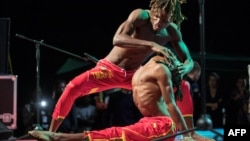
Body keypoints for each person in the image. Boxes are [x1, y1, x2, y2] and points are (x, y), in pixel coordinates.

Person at [49, 0, 194, 132]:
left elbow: (188, 60)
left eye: (164, 20)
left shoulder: (172, 31)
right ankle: (50, 133)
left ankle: (190, 133)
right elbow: (117, 39)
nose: (158, 22)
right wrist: (152, 45)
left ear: (171, 19)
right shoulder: (141, 16)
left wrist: (186, 68)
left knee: (183, 86)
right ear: (153, 10)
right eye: (156, 16)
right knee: (73, 87)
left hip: (135, 75)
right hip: (110, 69)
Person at [28, 51, 215, 141]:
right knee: (75, 87)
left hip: (166, 127)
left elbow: (178, 113)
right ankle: (54, 133)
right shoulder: (145, 72)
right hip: (152, 122)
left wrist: (190, 136)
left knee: (116, 135)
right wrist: (108, 67)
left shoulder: (167, 76)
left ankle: (58, 137)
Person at [183, 61, 201, 125]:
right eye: (199, 74)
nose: (199, 76)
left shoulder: (195, 83)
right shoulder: (185, 83)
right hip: (186, 116)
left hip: (193, 116)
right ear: (196, 72)